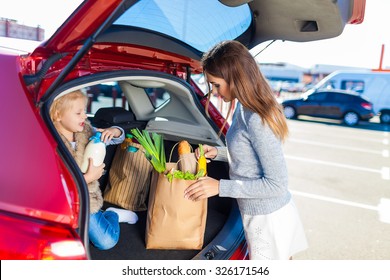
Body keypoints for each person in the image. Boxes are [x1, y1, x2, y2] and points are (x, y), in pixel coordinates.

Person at [184, 40, 308, 260]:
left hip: (268, 218)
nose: (213, 92)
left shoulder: (256, 118)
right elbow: (250, 158)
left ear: (235, 78)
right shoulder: (243, 108)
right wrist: (218, 152)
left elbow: (276, 184)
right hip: (258, 213)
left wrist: (219, 187)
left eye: (216, 85)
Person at [50, 90, 138, 250]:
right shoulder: (49, 142)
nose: (84, 116)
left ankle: (112, 214)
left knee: (106, 242)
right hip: (59, 204)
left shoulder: (87, 132)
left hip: (87, 201)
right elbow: (53, 185)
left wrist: (115, 131)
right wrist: (88, 178)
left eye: (85, 110)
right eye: (78, 112)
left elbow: (116, 138)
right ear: (57, 115)